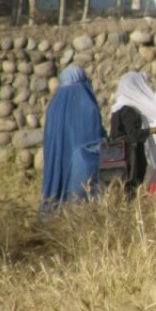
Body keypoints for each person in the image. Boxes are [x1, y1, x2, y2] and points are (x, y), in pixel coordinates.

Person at [40, 66, 105, 220]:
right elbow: (94, 142)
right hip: (82, 167)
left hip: (57, 160)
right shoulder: (86, 104)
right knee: (80, 207)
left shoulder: (54, 106)